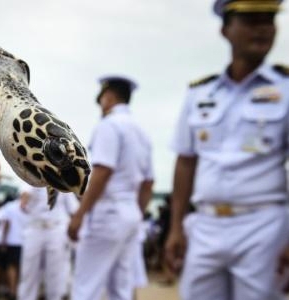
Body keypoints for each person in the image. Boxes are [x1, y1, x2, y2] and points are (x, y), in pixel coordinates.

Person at [165, 1, 289, 300]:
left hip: (265, 225)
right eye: (250, 20)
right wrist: (176, 227)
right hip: (205, 224)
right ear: (225, 30)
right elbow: (186, 161)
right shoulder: (200, 93)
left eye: (268, 19)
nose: (261, 28)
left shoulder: (285, 89)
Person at [68, 76, 154, 300]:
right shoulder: (142, 132)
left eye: (101, 100)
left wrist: (80, 214)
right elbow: (148, 182)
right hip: (130, 213)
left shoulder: (109, 125)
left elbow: (103, 172)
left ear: (108, 98)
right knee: (121, 289)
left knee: (86, 287)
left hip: (108, 213)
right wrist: (136, 213)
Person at [18, 186, 79, 300]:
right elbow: (23, 201)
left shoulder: (61, 182)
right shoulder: (31, 179)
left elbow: (73, 210)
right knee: (28, 273)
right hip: (34, 228)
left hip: (56, 228)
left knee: (55, 274)